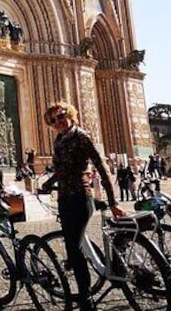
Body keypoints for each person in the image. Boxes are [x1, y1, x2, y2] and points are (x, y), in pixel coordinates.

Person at [39, 101, 123, 311]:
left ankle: (86, 298)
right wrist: (47, 185)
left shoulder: (82, 137)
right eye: (53, 120)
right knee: (73, 244)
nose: (58, 122)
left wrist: (113, 201)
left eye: (60, 116)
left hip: (80, 197)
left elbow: (101, 166)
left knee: (73, 249)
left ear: (71, 114)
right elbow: (61, 170)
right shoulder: (59, 140)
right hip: (64, 198)